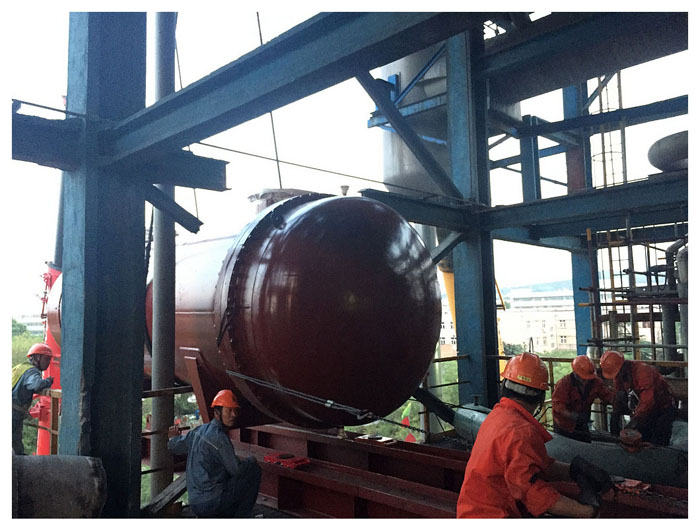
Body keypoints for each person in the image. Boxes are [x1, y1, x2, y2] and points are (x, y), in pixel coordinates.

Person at [456, 353, 609, 518]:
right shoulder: (521, 431)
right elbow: (532, 492)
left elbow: (534, 466)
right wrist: (587, 512)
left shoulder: (498, 416)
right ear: (541, 397)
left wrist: (574, 470)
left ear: (504, 386)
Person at [168, 389, 261, 518]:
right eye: (229, 411)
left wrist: (173, 438)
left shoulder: (199, 431)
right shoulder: (220, 438)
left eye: (235, 410)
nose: (234, 415)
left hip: (195, 502)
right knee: (254, 470)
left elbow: (175, 447)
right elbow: (236, 470)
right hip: (211, 502)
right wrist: (250, 461)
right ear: (217, 413)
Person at [599, 350, 675, 446]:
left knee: (659, 441)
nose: (616, 377)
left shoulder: (643, 371)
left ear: (622, 367)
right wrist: (615, 414)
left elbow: (647, 401)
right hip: (645, 410)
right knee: (642, 439)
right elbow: (619, 394)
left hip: (662, 408)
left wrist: (635, 421)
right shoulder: (619, 374)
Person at [552, 355, 615, 443]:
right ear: (576, 374)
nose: (587, 381)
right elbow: (558, 404)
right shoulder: (564, 384)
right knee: (565, 447)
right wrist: (572, 415)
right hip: (564, 425)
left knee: (585, 446)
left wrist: (615, 401)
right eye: (584, 379)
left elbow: (606, 395)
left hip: (582, 423)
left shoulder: (595, 382)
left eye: (589, 378)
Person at [12, 343, 54, 455]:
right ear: (37, 357)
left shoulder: (20, 367)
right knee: (16, 450)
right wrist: (48, 381)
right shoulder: (32, 371)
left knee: (15, 446)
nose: (48, 363)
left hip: (14, 413)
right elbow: (36, 385)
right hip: (13, 414)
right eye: (46, 359)